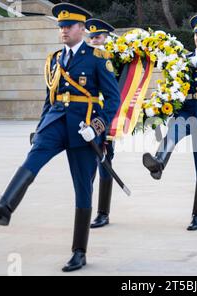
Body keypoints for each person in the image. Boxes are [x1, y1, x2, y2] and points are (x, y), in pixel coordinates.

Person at [0, 3, 120, 272]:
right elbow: (49, 97)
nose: (63, 31)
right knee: (34, 158)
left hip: (83, 126)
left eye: (68, 27)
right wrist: (41, 126)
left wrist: (98, 126)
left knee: (82, 188)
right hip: (55, 122)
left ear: (81, 29)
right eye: (61, 27)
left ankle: (79, 251)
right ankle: (5, 206)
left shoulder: (98, 58)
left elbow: (114, 99)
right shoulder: (54, 58)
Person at [142, 15, 197, 231]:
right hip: (186, 109)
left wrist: (194, 62)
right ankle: (159, 163)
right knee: (173, 132)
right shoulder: (183, 57)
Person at [85, 18, 117, 229]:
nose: (95, 40)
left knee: (104, 159)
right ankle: (86, 209)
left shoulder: (117, 57)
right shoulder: (86, 58)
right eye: (92, 37)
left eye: (98, 36)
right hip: (88, 117)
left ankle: (103, 213)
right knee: (89, 163)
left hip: (108, 116)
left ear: (107, 37)